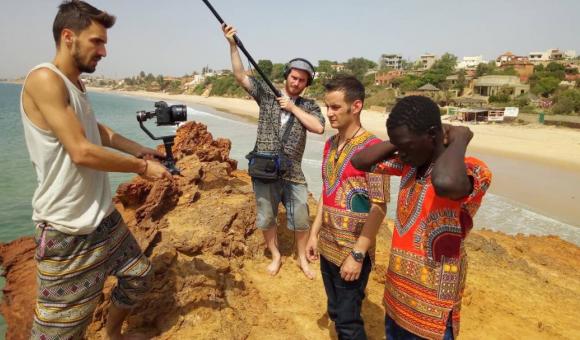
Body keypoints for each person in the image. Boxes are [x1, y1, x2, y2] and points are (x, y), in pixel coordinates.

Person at [20, 1, 172, 339]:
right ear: (68, 36)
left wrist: (137, 147)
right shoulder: (45, 79)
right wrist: (141, 167)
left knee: (139, 274)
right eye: (97, 41)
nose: (104, 50)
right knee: (59, 331)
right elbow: (81, 151)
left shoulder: (76, 83)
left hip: (102, 218)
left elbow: (93, 128)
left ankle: (111, 333)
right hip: (66, 229)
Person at [351, 96, 492, 340]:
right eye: (398, 146)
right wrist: (398, 142)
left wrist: (459, 140)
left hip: (433, 312)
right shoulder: (409, 164)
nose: (401, 153)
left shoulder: (471, 170)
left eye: (407, 145)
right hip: (398, 298)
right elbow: (360, 161)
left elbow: (445, 183)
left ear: (432, 135)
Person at [222, 24, 325, 278]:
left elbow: (319, 128)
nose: (297, 82)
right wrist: (233, 45)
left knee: (301, 215)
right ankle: (277, 255)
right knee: (266, 216)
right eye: (293, 77)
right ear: (286, 76)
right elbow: (240, 76)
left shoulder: (309, 106)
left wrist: (292, 108)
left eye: (302, 80)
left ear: (306, 84)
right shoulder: (267, 94)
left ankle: (302, 258)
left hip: (293, 171)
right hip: (264, 168)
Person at [306, 75, 389, 339]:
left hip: (351, 252)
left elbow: (379, 207)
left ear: (356, 106)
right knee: (336, 310)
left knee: (348, 322)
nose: (328, 114)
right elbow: (327, 191)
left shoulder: (375, 149)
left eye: (335, 107)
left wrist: (358, 254)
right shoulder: (330, 144)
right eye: (326, 106)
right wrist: (313, 233)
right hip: (328, 245)